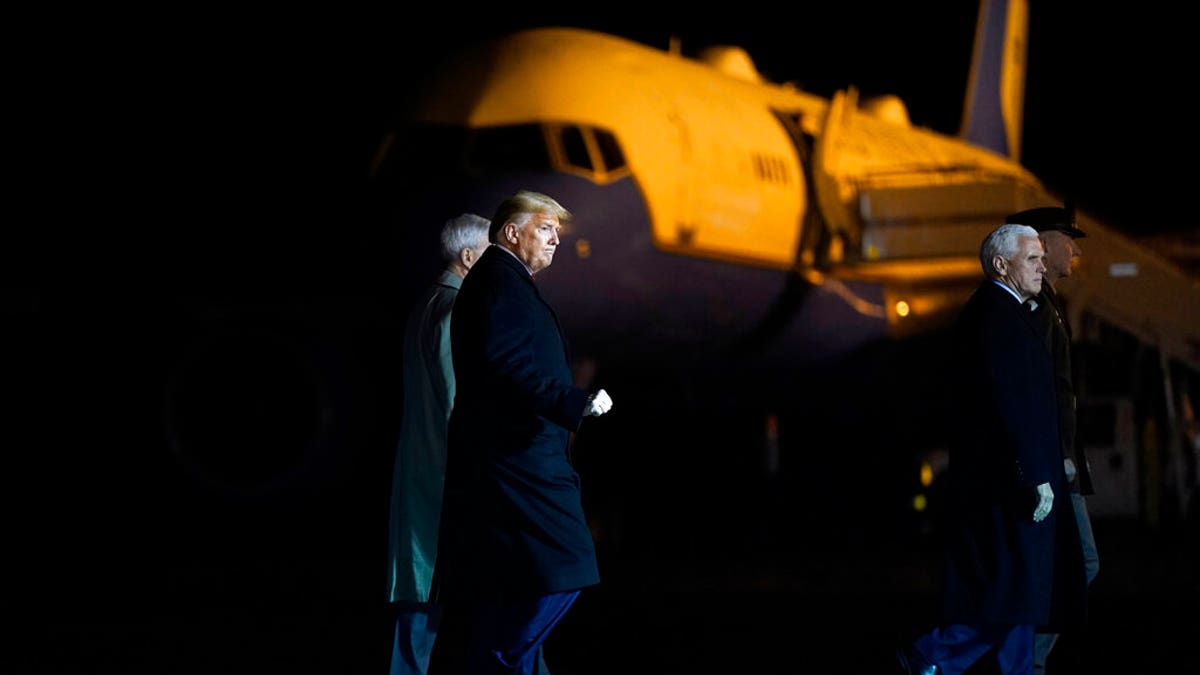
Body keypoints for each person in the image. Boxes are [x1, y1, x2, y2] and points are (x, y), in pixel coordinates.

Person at [431, 190, 614, 674]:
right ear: (513, 232)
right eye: (545, 229)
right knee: (566, 567)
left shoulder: (506, 281)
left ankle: (510, 661)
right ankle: (500, 661)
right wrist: (573, 401)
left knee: (516, 580)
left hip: (516, 455)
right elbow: (505, 364)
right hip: (519, 459)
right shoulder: (499, 283)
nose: (556, 240)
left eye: (557, 231)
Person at [895, 223, 1086, 675]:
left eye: (1043, 258)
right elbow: (1009, 403)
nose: (1043, 268)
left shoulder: (1011, 310)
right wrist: (1034, 475)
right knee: (1015, 592)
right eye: (1033, 260)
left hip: (1018, 477)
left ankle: (947, 658)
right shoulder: (996, 314)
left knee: (1022, 592)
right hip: (1011, 484)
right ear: (1002, 265)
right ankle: (933, 653)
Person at [386, 213, 491, 675]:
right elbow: (456, 403)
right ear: (468, 258)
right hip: (446, 475)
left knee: (422, 600)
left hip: (422, 470)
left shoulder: (425, 304)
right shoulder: (453, 311)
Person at [1005, 206, 1099, 673]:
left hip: (1058, 459)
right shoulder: (1034, 306)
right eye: (1069, 239)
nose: (1076, 249)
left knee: (1060, 567)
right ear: (1043, 240)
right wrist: (1055, 458)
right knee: (1074, 564)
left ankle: (1023, 662)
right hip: (1050, 463)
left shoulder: (1049, 303)